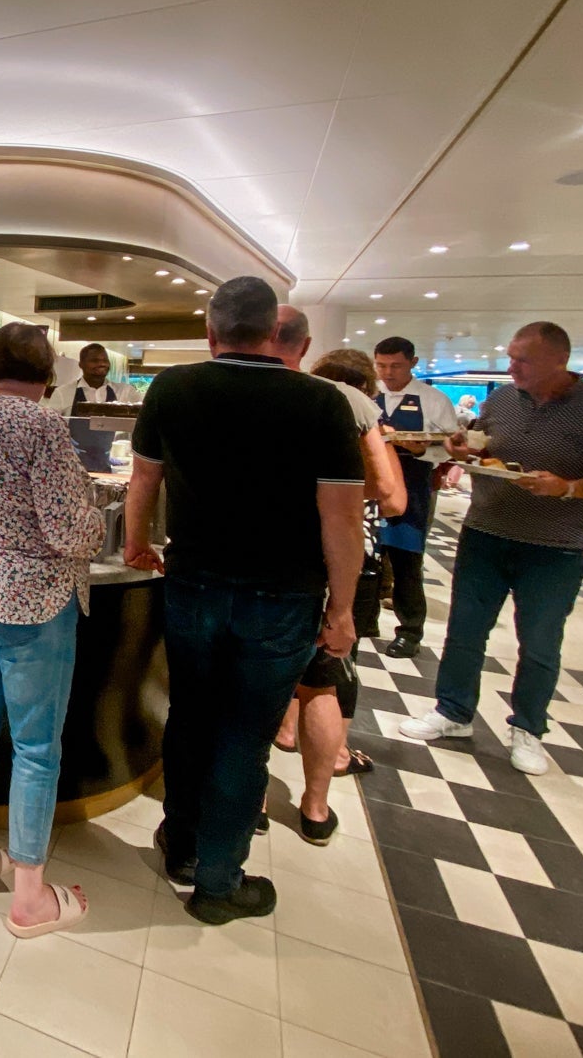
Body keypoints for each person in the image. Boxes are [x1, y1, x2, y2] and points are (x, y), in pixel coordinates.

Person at [125, 277, 364, 925]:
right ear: (274, 333)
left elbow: (142, 480)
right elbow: (342, 519)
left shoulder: (173, 388)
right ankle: (218, 881)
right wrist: (343, 611)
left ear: (210, 331)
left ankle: (181, 845)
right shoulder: (323, 403)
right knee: (244, 737)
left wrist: (135, 543)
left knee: (190, 716)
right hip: (282, 596)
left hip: (193, 583)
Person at [401, 322, 583, 774]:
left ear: (558, 360)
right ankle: (453, 711)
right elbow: (484, 450)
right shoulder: (503, 399)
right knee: (465, 631)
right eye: (510, 356)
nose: (512, 366)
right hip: (485, 532)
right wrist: (462, 451)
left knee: (540, 642)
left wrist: (569, 487)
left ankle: (527, 728)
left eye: (522, 359)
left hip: (554, 546)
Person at [0, 322, 104, 938]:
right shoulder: (41, 426)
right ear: (47, 373)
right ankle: (30, 898)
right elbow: (69, 529)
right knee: (36, 750)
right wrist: (97, 523)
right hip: (34, 604)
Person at [273, 332, 405, 846]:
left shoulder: (288, 404)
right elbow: (392, 499)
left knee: (269, 678)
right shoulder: (357, 411)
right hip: (339, 565)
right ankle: (314, 805)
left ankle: (258, 793)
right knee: (323, 682)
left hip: (286, 559)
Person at [372, 337, 460, 658]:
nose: (388, 372)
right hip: (370, 486)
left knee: (406, 560)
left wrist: (420, 449)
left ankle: (409, 632)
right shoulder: (369, 395)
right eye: (381, 365)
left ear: (413, 362)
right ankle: (365, 620)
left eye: (395, 365)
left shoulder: (434, 400)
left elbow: (450, 446)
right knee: (366, 557)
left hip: (412, 486)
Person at [61, 342, 140, 414]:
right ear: (81, 365)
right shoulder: (63, 393)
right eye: (95, 360)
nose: (102, 364)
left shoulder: (126, 392)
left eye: (105, 360)